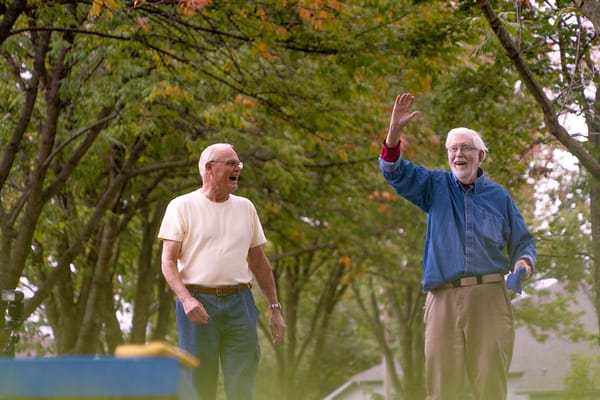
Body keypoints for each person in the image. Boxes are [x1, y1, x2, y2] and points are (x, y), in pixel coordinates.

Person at [378, 93, 536, 400]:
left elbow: (523, 243)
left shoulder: (498, 196)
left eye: (465, 148)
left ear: (480, 156)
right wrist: (394, 131)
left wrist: (523, 264)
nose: (458, 154)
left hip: (489, 297)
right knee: (441, 387)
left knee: (490, 385)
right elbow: (393, 169)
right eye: (453, 149)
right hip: (442, 298)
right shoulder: (433, 187)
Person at [158, 143, 287, 400]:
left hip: (240, 304)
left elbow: (259, 261)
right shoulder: (181, 206)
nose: (238, 168)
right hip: (197, 304)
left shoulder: (246, 208)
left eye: (238, 164)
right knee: (199, 386)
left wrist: (275, 308)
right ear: (209, 168)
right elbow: (168, 261)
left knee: (242, 385)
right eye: (231, 163)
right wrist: (186, 299)